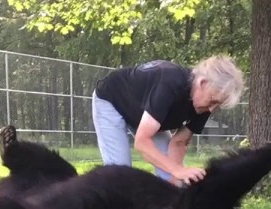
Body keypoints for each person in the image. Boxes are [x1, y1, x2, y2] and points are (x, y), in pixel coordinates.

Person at [91, 55, 244, 186]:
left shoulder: (204, 105)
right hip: (112, 101)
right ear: (203, 83)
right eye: (212, 101)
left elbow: (179, 142)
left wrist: (173, 182)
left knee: (173, 177)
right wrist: (177, 170)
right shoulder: (170, 82)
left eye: (218, 105)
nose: (212, 109)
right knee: (120, 175)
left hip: (144, 116)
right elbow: (142, 142)